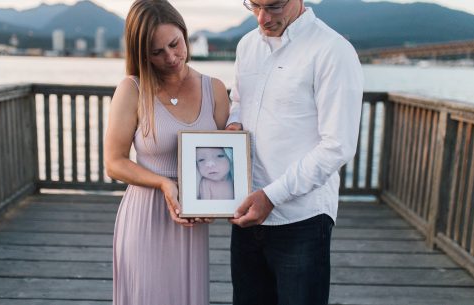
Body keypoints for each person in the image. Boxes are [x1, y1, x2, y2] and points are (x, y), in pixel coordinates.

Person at [226, 0, 364, 304]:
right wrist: (234, 123)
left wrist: (272, 196)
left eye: (273, 5)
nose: (262, 17)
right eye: (254, 5)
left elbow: (337, 145)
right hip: (248, 212)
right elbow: (238, 100)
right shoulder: (247, 45)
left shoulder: (333, 50)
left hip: (302, 220)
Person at [103, 0, 230, 304]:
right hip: (146, 217)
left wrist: (214, 202)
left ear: (185, 33)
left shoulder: (215, 89)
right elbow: (114, 163)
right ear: (141, 54)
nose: (171, 57)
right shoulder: (132, 89)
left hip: (191, 221)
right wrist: (164, 183)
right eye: (157, 52)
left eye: (175, 44)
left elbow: (226, 155)